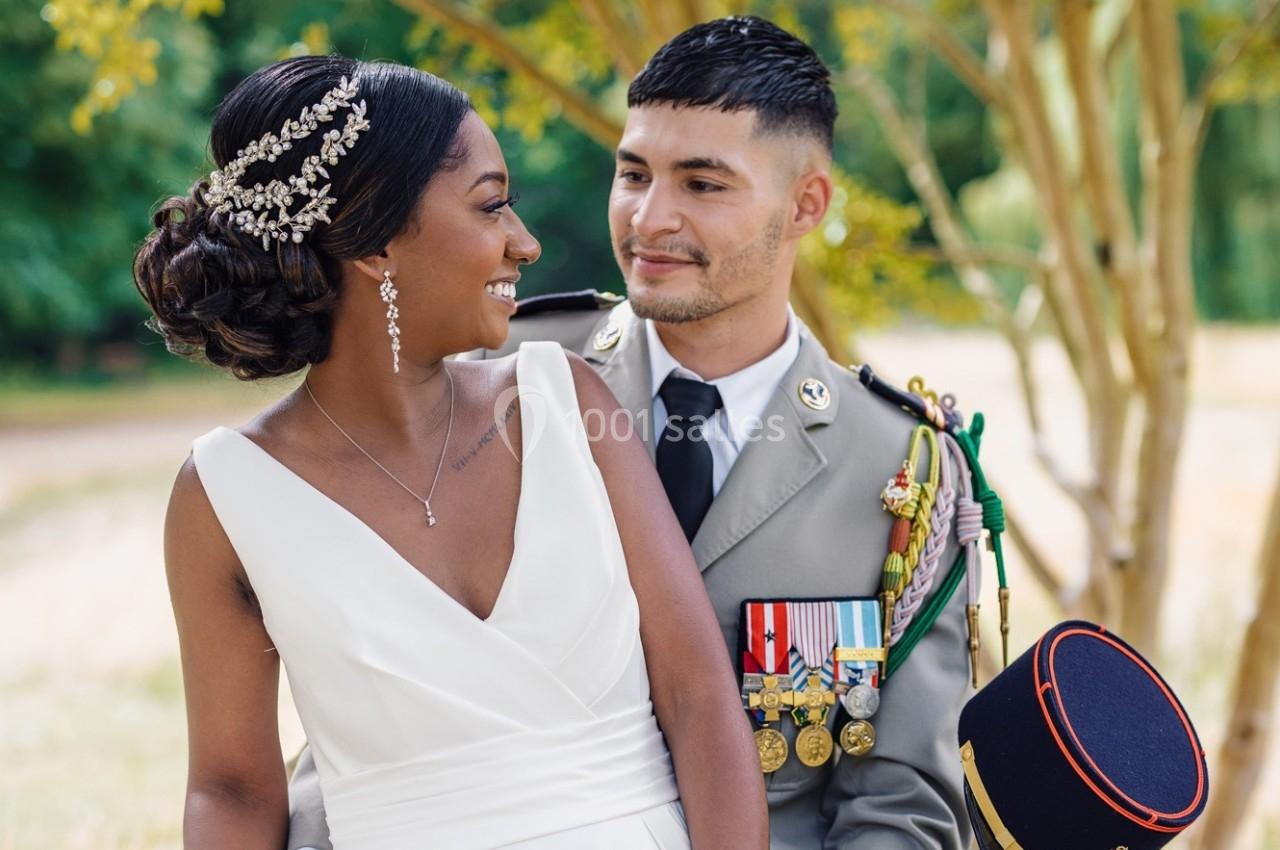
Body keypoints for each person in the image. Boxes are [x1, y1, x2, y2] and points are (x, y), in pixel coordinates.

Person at [289, 16, 975, 850]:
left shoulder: (902, 469)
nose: (650, 219)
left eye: (703, 184)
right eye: (634, 173)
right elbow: (373, 716)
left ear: (806, 205)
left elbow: (902, 804)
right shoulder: (496, 379)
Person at [133, 54, 766, 850]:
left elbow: (699, 694)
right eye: (491, 206)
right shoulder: (225, 496)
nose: (524, 243)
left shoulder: (565, 401)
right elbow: (229, 788)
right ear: (375, 244)